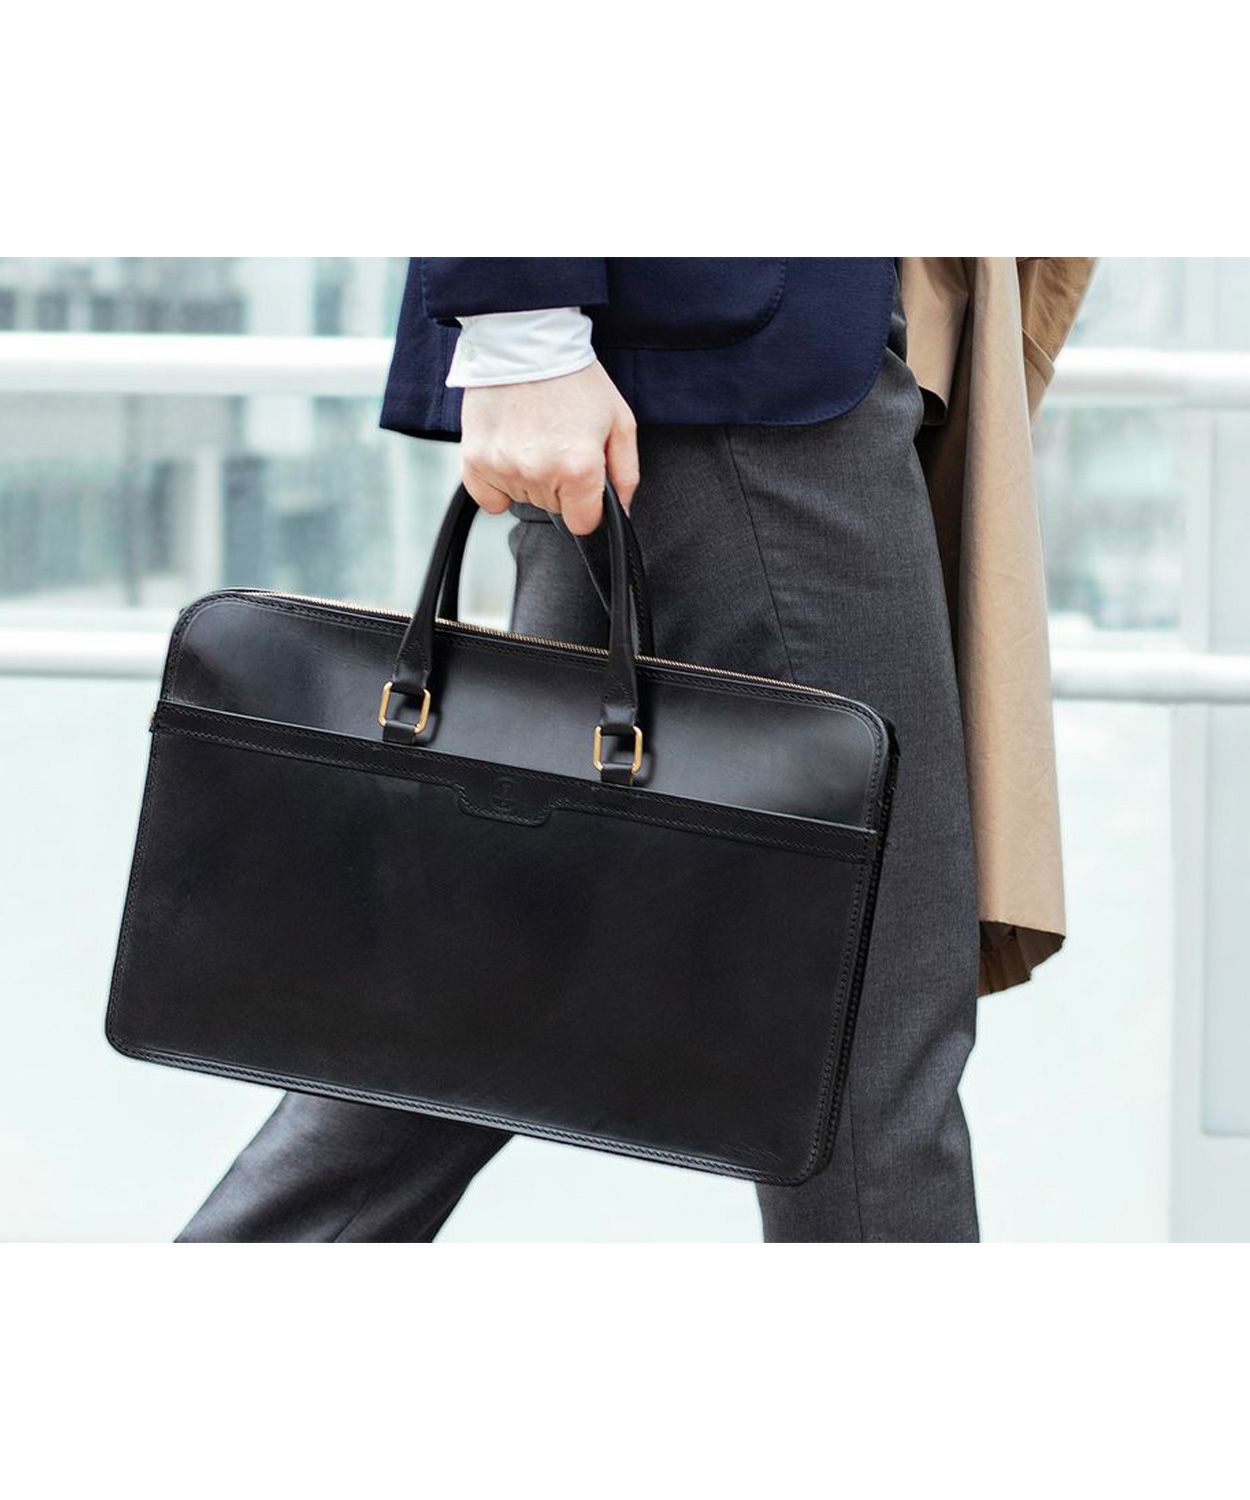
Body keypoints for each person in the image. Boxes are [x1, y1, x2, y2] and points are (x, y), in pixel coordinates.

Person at [178, 257, 1091, 1242]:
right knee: (866, 1035)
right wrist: (522, 330)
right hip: (732, 375)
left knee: (478, 986)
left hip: (717, 365)